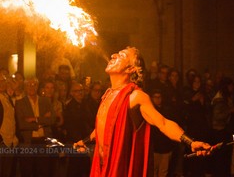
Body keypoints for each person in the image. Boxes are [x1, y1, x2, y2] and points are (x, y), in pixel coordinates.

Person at [74, 47, 211, 177]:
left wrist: (191, 142)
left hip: (120, 170)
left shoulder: (136, 96)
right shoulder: (108, 94)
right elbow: (104, 127)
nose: (113, 55)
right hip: (101, 168)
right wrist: (86, 141)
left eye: (122, 55)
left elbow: (162, 123)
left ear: (131, 69)